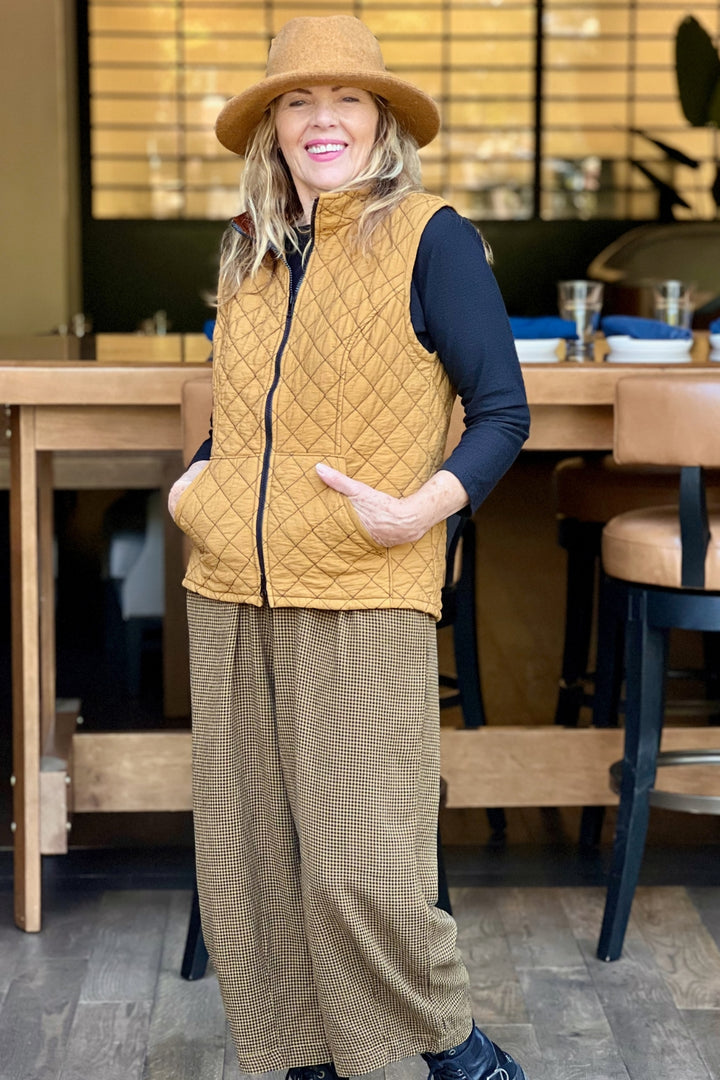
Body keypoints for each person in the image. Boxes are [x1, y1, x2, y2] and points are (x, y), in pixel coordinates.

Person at [169, 15, 530, 1080]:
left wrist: (422, 511)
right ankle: (312, 1060)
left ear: (381, 122)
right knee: (252, 867)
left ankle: (454, 1048)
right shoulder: (249, 247)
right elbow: (253, 413)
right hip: (233, 584)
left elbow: (503, 413)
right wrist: (201, 476)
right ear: (272, 127)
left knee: (361, 866)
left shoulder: (433, 237)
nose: (322, 120)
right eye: (297, 102)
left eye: (348, 101)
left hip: (370, 582)